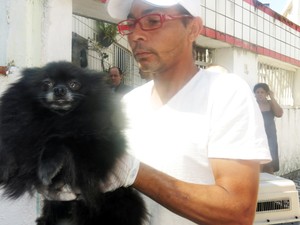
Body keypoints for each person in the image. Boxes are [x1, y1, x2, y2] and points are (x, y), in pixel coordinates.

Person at [55, 1, 271, 224]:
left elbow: (237, 212)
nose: (135, 35)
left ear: (193, 29)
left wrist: (133, 173)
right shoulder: (128, 104)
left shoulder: (225, 93)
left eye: (153, 21)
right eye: (131, 23)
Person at [253, 83, 283, 174]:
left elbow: (279, 114)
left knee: (270, 164)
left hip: (270, 137)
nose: (260, 94)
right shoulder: (252, 104)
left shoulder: (270, 103)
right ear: (254, 94)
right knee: (258, 163)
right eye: (257, 92)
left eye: (262, 92)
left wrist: (272, 98)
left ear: (267, 94)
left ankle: (271, 185)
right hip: (257, 137)